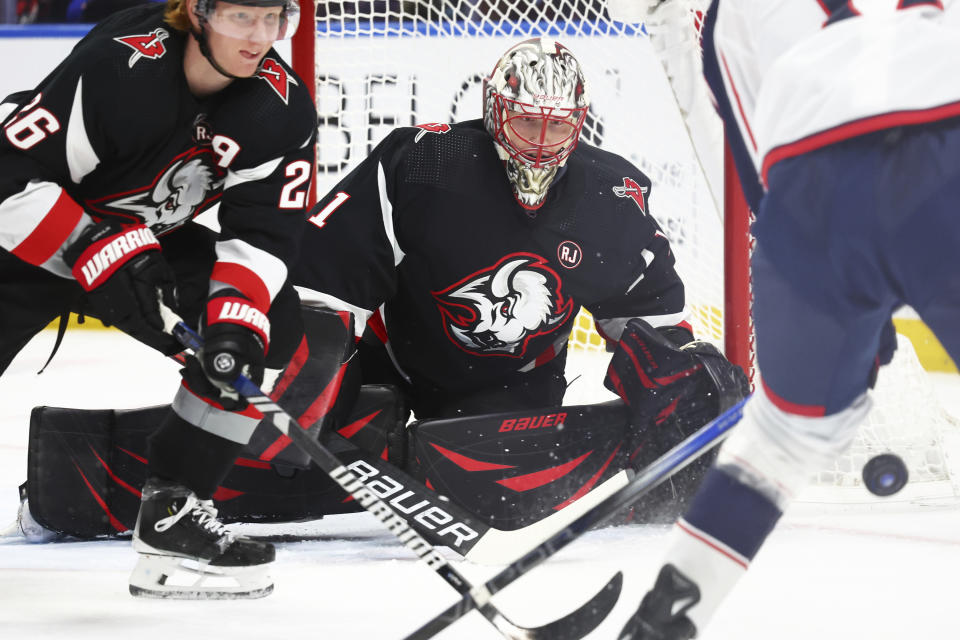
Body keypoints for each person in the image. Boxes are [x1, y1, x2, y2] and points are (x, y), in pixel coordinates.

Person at [614, 2, 960, 638]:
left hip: (810, 186)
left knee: (783, 440)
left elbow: (763, 189)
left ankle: (658, 626)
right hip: (943, 138)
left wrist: (851, 305)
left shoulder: (722, 19)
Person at [291, 37, 749, 516]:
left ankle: (412, 459)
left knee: (696, 386)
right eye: (527, 120)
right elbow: (326, 275)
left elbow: (649, 318)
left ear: (579, 123)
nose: (540, 142)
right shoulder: (425, 164)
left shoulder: (607, 197)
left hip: (509, 388)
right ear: (495, 110)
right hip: (389, 357)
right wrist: (306, 379)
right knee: (299, 402)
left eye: (557, 126)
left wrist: (682, 391)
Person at [0, 0, 316, 598]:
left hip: (141, 250)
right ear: (196, 12)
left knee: (262, 327)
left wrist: (232, 322)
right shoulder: (121, 66)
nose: (260, 37)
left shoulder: (280, 107)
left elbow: (266, 235)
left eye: (274, 19)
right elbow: (7, 173)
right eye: (241, 18)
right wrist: (93, 245)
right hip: (30, 235)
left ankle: (174, 510)